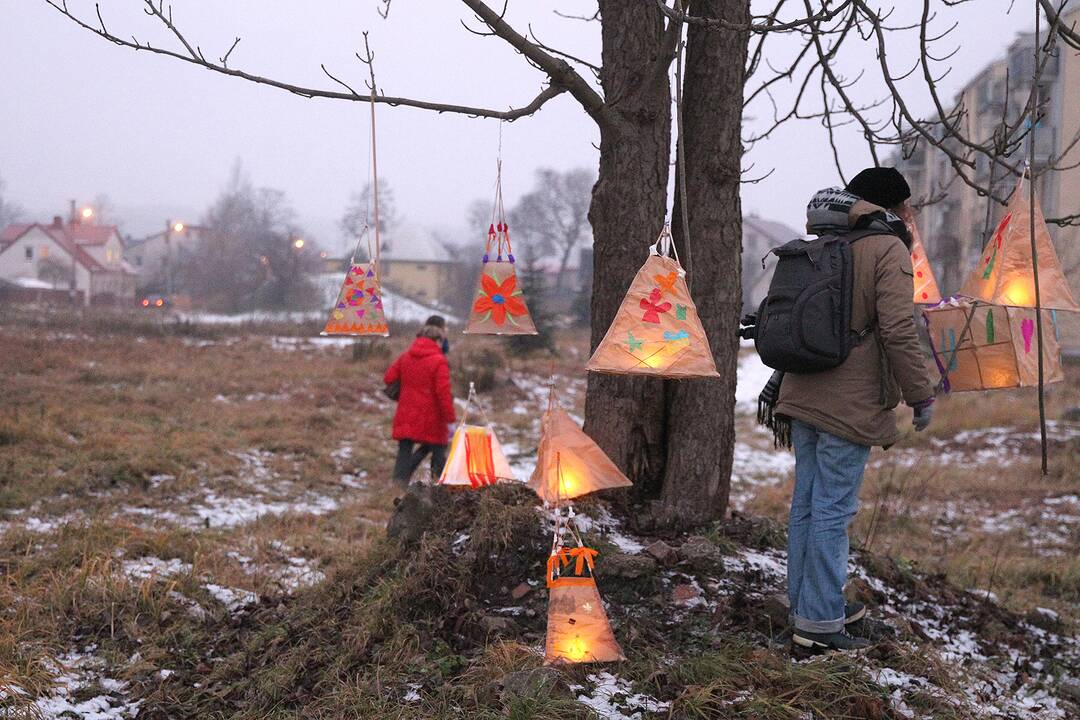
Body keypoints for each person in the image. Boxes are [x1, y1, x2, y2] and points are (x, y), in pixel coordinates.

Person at [772, 167, 936, 651]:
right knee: (831, 512)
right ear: (892, 206)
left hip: (802, 392)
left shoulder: (824, 242)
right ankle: (820, 625)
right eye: (907, 205)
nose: (911, 214)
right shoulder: (887, 248)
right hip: (849, 403)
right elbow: (898, 330)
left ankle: (806, 605)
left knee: (806, 506)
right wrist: (920, 394)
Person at [384, 316, 456, 485]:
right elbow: (443, 393)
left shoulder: (406, 356)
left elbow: (389, 377)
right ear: (437, 340)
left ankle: (398, 484)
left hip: (407, 410)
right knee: (437, 448)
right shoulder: (439, 361)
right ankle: (438, 486)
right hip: (432, 415)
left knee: (405, 448)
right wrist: (450, 420)